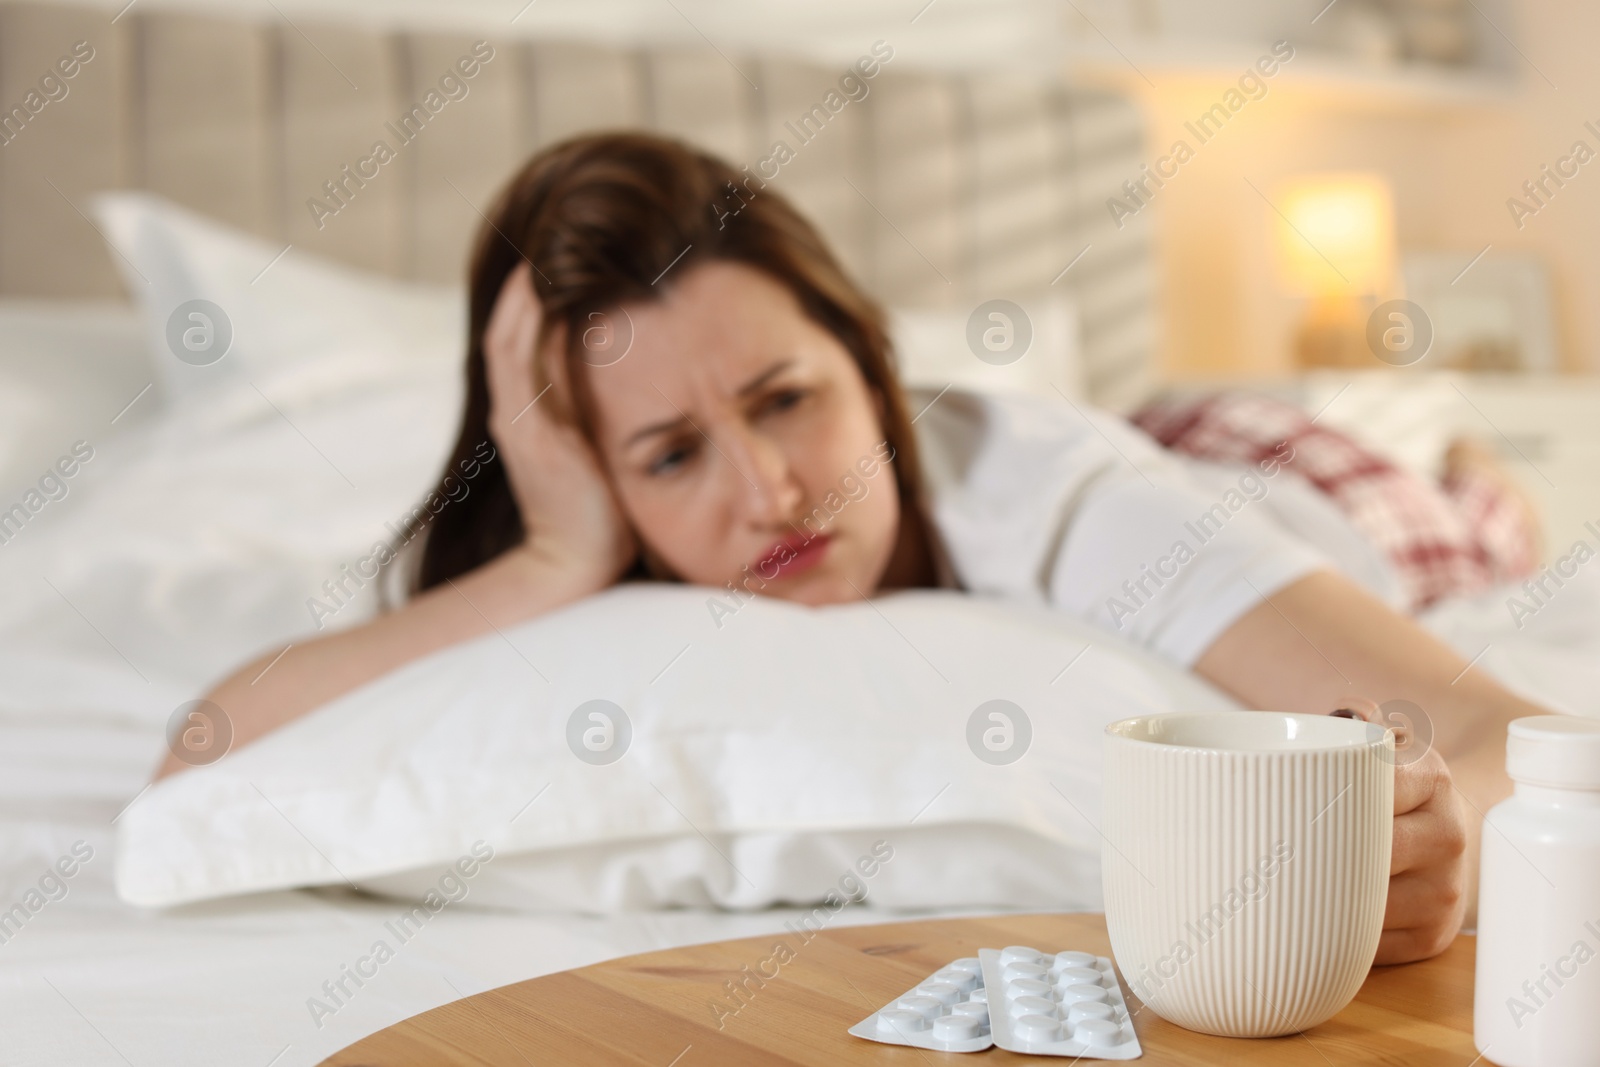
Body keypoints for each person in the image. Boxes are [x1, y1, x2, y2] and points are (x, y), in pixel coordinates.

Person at [157, 133, 1550, 966]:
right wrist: (549, 559)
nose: (771, 495)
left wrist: (1449, 852)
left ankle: (1483, 482)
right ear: (592, 475)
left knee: (1450, 520)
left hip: (1261, 476)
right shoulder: (587, 548)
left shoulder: (1066, 502)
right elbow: (204, 758)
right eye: (670, 455)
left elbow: (1505, 731)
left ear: (872, 367)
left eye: (787, 401)